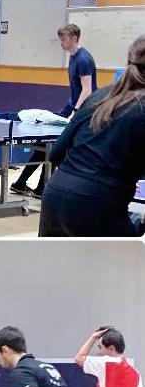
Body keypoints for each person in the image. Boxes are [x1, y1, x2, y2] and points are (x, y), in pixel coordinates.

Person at [39, 36, 145, 237]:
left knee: (57, 267)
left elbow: (56, 153)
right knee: (123, 265)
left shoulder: (99, 96)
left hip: (56, 197)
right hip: (99, 205)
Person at [11, 24, 97, 199]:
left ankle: (41, 187)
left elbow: (87, 89)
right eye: (60, 38)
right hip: (71, 107)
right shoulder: (73, 58)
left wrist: (75, 112)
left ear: (74, 38)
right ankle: (23, 183)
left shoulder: (83, 59)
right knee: (45, 143)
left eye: (63, 39)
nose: (61, 42)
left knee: (54, 145)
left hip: (84, 111)